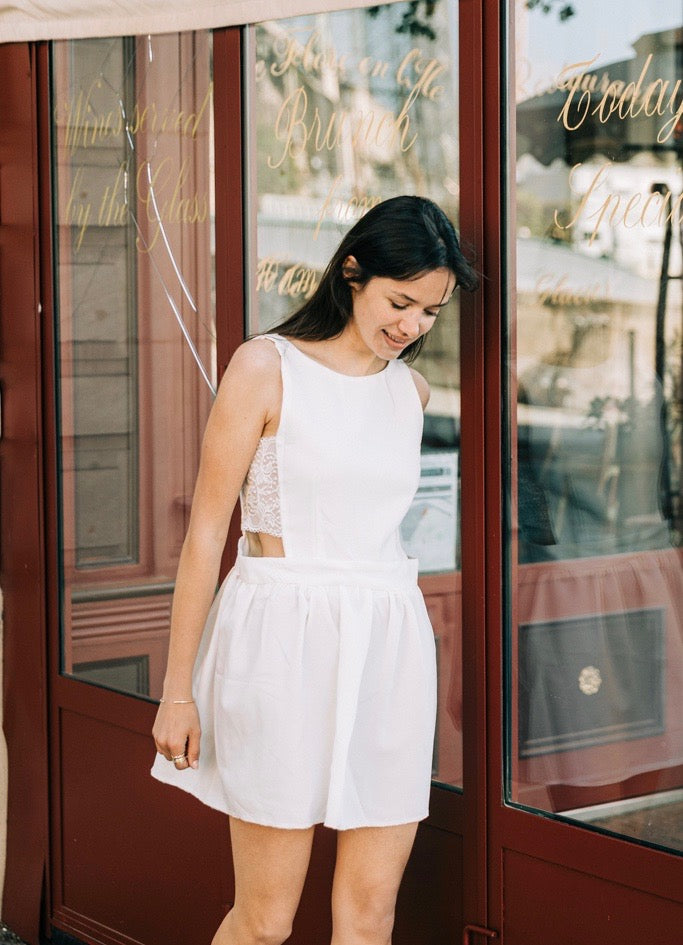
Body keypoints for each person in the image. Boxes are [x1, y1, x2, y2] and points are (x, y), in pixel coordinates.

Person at [151, 195, 478, 945]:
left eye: (430, 312)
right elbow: (206, 535)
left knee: (368, 917)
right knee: (265, 921)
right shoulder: (265, 367)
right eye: (401, 302)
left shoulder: (411, 392)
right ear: (353, 272)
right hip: (280, 640)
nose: (412, 327)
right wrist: (177, 691)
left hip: (387, 648)